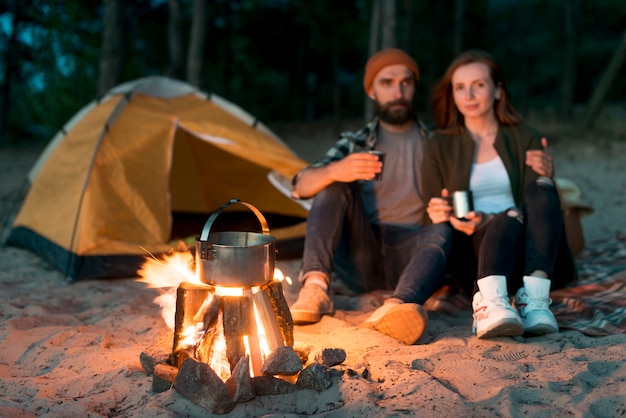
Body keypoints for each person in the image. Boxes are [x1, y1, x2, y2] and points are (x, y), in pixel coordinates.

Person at [288, 48, 452, 345]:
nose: (398, 91)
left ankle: (397, 306)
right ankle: (315, 288)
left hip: (414, 254)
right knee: (332, 186)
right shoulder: (356, 141)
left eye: (405, 82)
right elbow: (299, 185)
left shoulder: (438, 142)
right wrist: (337, 169)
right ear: (372, 91)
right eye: (387, 83)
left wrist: (449, 206)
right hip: (361, 255)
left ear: (414, 88)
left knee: (441, 227)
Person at [422, 49, 576, 339]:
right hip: (479, 253)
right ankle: (489, 303)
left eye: (478, 85)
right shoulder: (439, 145)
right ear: (452, 95)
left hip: (532, 254)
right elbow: (428, 209)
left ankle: (535, 300)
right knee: (505, 219)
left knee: (542, 188)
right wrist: (439, 214)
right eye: (460, 87)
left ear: (497, 90)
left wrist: (547, 175)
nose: (468, 94)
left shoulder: (524, 136)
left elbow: (540, 205)